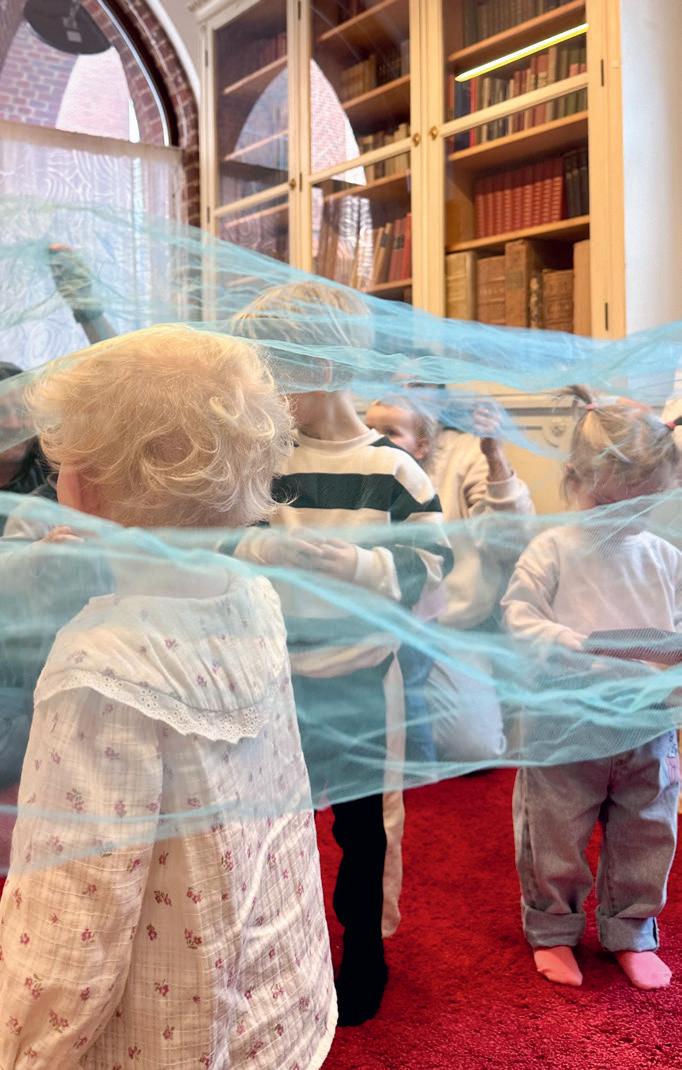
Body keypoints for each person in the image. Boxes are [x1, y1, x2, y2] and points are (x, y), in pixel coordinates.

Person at [0, 325, 336, 1068]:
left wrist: (22, 1046)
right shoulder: (253, 596)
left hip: (164, 1030)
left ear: (87, 485)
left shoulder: (101, 666)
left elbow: (75, 914)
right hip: (269, 991)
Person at [232, 281, 452, 1026]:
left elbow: (433, 567)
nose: (265, 392)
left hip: (362, 681)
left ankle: (364, 945)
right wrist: (271, 549)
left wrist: (357, 564)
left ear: (320, 372)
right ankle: (277, 941)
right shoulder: (267, 459)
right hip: (275, 680)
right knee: (272, 820)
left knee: (365, 828)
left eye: (275, 375)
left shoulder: (396, 470)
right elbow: (226, 535)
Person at [501, 385, 681, 991]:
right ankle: (553, 927)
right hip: (564, 724)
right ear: (576, 483)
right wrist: (575, 644)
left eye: (639, 506)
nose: (620, 519)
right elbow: (519, 618)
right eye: (607, 503)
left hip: (645, 723)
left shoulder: (664, 558)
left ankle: (632, 928)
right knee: (554, 831)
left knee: (647, 829)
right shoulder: (553, 548)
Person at [366, 393, 534, 761]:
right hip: (376, 629)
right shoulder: (359, 460)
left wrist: (495, 457)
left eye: (390, 431)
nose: (377, 439)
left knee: (473, 747)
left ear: (423, 444)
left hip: (450, 630)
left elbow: (511, 538)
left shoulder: (464, 453)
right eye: (370, 428)